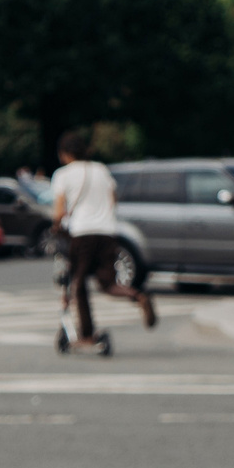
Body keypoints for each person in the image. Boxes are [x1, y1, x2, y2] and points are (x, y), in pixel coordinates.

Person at [50, 128, 155, 342]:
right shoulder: (101, 170)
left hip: (82, 234)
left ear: (65, 154)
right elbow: (112, 200)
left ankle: (87, 334)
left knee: (78, 284)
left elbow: (59, 211)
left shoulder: (63, 175)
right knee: (108, 283)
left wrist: (56, 226)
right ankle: (138, 295)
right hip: (107, 232)